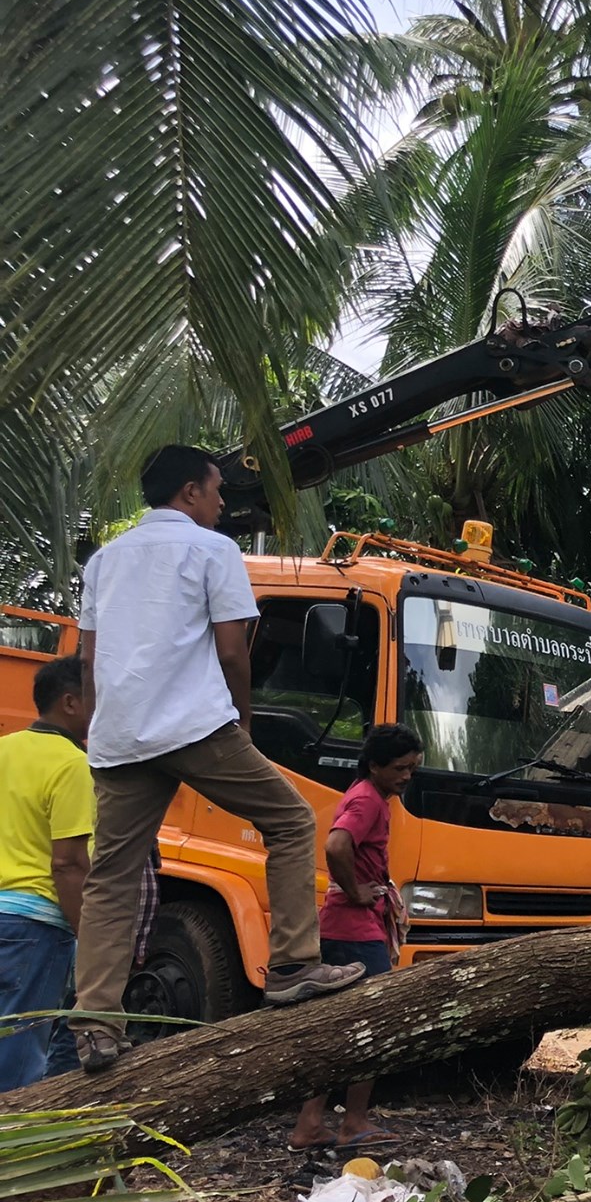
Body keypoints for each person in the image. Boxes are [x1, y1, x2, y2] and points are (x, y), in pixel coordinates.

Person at [71, 444, 364, 1075]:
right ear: (189, 494)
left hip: (121, 736)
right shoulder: (213, 551)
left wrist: (99, 729)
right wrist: (243, 720)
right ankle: (291, 965)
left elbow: (90, 658)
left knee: (112, 877)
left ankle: (96, 1021)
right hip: (195, 726)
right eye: (216, 491)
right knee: (290, 823)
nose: (223, 502)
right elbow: (234, 650)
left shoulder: (104, 561)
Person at [290, 724, 421, 1150]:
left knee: (337, 1027)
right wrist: (355, 891)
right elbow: (336, 846)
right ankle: (354, 1123)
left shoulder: (372, 796)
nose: (406, 776)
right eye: (399, 768)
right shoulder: (366, 799)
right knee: (374, 1026)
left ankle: (311, 1124)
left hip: (347, 927)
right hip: (353, 929)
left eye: (413, 768)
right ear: (374, 766)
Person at [0, 656, 94, 1091]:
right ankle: (15, 1150)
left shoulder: (4, 749)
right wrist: (87, 938)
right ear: (71, 702)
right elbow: (68, 862)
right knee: (19, 1054)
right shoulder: (72, 764)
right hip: (34, 925)